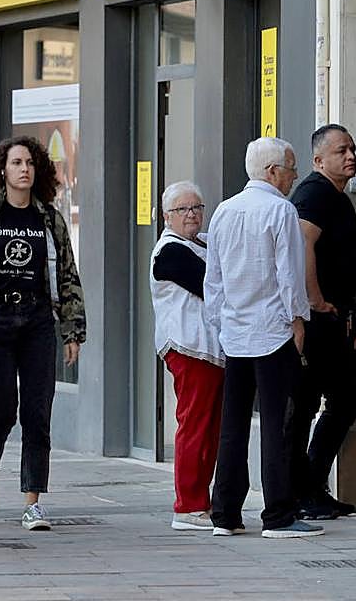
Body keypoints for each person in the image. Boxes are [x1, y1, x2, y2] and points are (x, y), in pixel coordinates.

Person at [0, 135, 86, 532]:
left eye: (29, 162)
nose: (24, 169)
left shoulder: (49, 219)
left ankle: (32, 502)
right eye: (16, 163)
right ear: (3, 170)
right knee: (0, 409)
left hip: (37, 320)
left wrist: (73, 330)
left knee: (37, 413)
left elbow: (67, 275)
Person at [205, 137, 321, 538]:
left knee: (232, 426)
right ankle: (278, 515)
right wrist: (298, 321)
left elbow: (213, 279)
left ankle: (225, 515)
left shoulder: (223, 211)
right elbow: (289, 275)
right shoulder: (280, 210)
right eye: (290, 167)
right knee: (278, 424)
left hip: (234, 332)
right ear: (272, 171)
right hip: (272, 332)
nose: (293, 174)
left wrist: (219, 323)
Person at [289, 124, 356, 520]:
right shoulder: (315, 192)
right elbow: (303, 244)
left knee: (340, 401)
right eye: (341, 151)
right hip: (317, 322)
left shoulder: (337, 196)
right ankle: (303, 491)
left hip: (334, 319)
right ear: (319, 160)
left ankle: (311, 487)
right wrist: (316, 300)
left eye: (352, 149)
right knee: (314, 406)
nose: (350, 156)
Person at [150, 180, 223, 532]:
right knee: (195, 427)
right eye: (183, 210)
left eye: (197, 207)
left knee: (209, 430)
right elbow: (213, 286)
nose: (192, 214)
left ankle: (201, 502)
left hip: (211, 352)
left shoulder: (202, 243)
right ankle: (189, 505)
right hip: (190, 349)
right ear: (167, 217)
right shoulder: (170, 252)